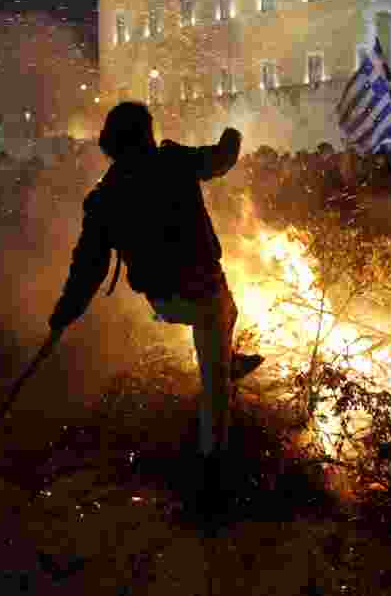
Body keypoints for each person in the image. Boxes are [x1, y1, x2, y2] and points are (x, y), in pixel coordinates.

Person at [47, 102, 263, 520]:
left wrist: (63, 314)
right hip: (201, 295)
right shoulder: (173, 161)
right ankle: (211, 481)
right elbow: (222, 159)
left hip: (163, 302)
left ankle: (229, 360)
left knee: (228, 310)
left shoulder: (103, 197)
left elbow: (87, 270)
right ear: (146, 133)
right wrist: (234, 133)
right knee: (215, 385)